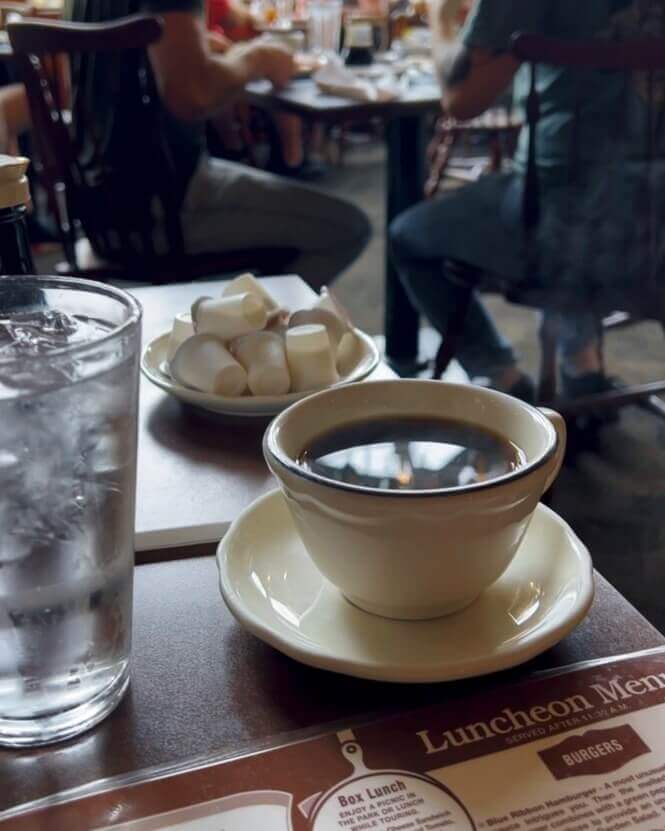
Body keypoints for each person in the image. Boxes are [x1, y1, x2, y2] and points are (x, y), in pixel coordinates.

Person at [389, 0, 665, 402]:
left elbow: (462, 99)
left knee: (410, 235)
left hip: (562, 232)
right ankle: (581, 368)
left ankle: (504, 380)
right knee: (587, 201)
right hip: (655, 231)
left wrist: (441, 17)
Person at [64, 0, 371, 289]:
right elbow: (192, 94)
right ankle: (242, 328)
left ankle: (239, 317)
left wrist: (203, 51)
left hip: (98, 210)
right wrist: (257, 57)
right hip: (163, 206)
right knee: (348, 229)